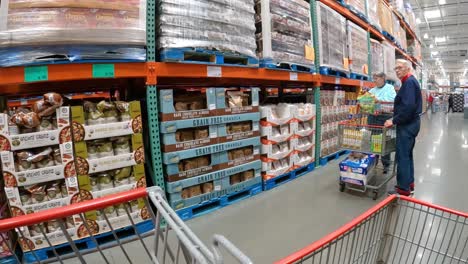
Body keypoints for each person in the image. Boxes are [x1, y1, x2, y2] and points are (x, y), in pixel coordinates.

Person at [384, 59, 422, 196]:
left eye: (399, 68)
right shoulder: (408, 82)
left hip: (407, 125)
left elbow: (408, 108)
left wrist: (393, 121)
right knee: (407, 155)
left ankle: (403, 188)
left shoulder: (409, 83)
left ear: (407, 68)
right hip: (411, 123)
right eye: (395, 68)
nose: (397, 71)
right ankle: (409, 183)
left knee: (402, 156)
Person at [368, 72, 396, 173]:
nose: (374, 80)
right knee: (374, 140)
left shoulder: (390, 88)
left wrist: (378, 100)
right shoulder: (372, 90)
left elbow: (392, 100)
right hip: (373, 118)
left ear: (383, 78)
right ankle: (373, 162)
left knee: (384, 142)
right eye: (373, 78)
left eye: (376, 78)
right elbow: (367, 102)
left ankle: (386, 164)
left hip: (384, 118)